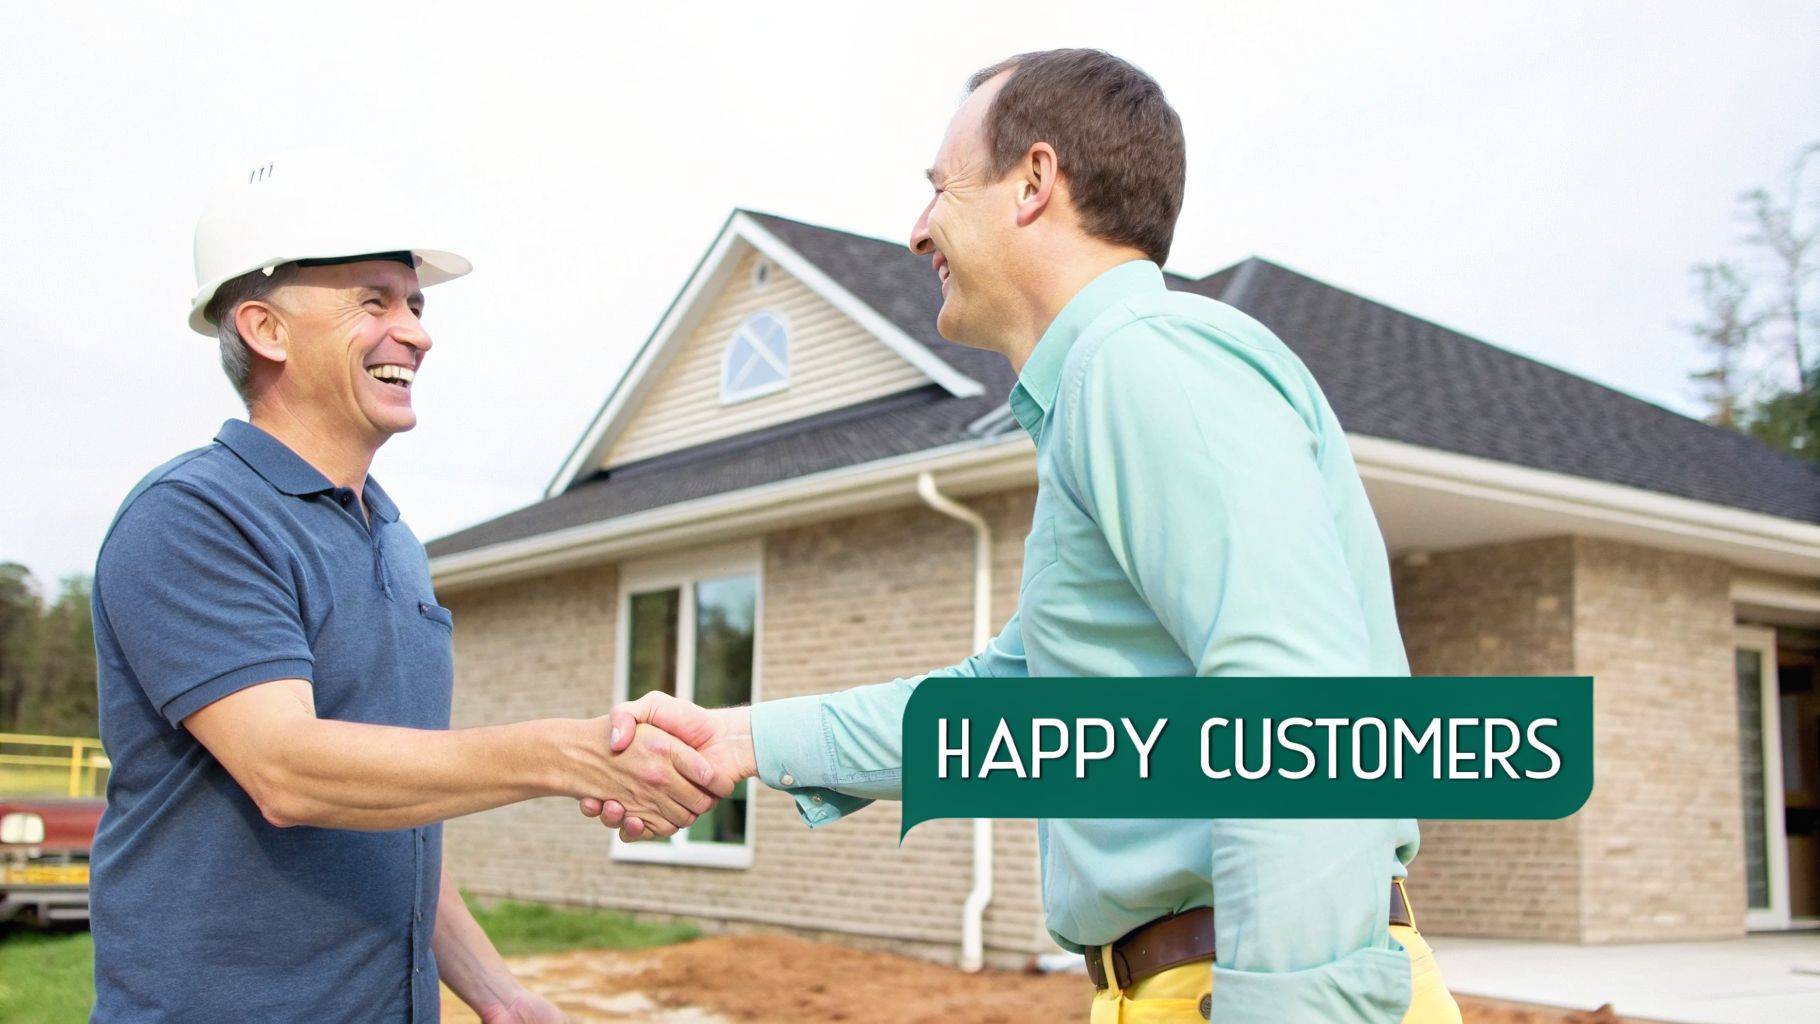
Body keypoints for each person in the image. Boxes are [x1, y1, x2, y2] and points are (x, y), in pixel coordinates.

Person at [593, 50, 1463, 1023]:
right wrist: (742, 739)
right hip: (1176, 985)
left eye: (937, 190)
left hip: (1257, 984)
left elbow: (1298, 702)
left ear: (1034, 182)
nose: (915, 227)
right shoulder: (1106, 389)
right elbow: (1020, 701)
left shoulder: (1147, 364)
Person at [89, 151, 731, 1024]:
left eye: (417, 305)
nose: (418, 333)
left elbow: (392, 816)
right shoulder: (195, 517)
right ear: (265, 330)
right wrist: (562, 752)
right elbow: (289, 770)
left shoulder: (393, 543)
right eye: (374, 302)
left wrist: (498, 995)